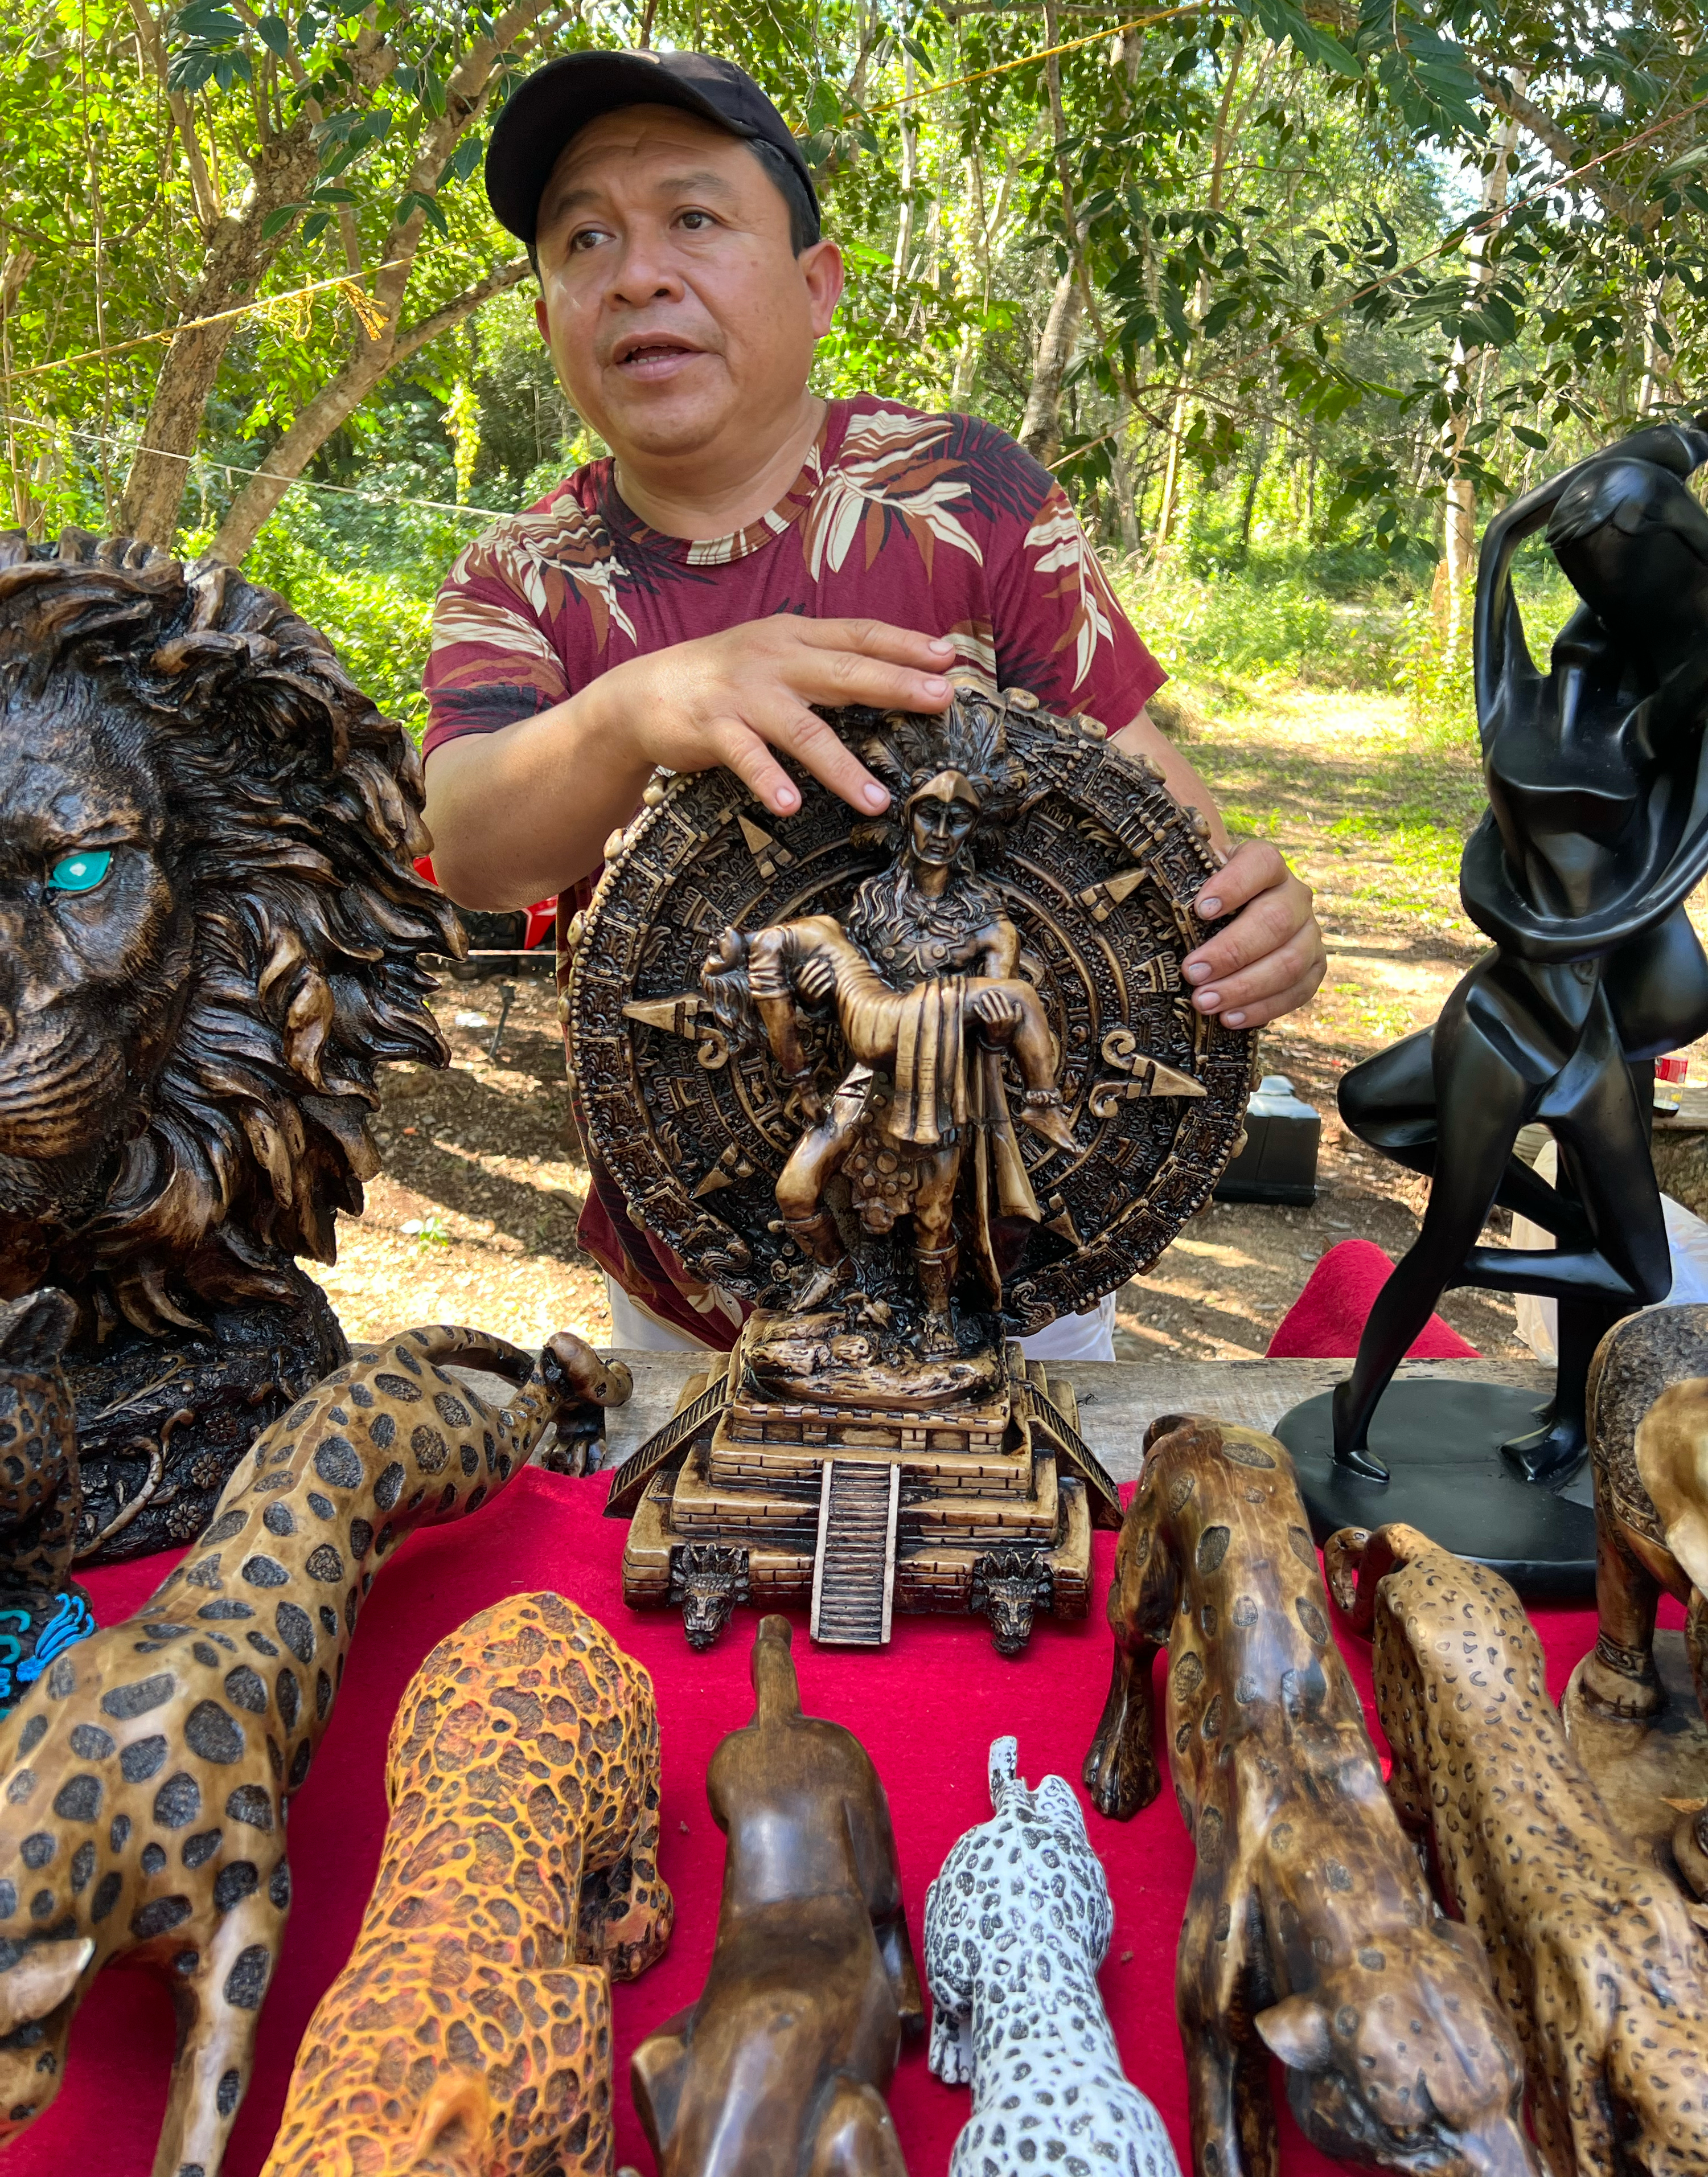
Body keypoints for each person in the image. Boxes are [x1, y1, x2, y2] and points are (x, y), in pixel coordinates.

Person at [421, 47, 1327, 1358]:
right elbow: (476, 848)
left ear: (815, 284)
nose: (636, 272)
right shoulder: (522, 575)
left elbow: (1151, 801)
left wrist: (1254, 920)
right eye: (584, 239)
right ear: (553, 312)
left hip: (1012, 1277)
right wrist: (635, 709)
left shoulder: (967, 497)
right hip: (691, 1268)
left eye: (694, 217)